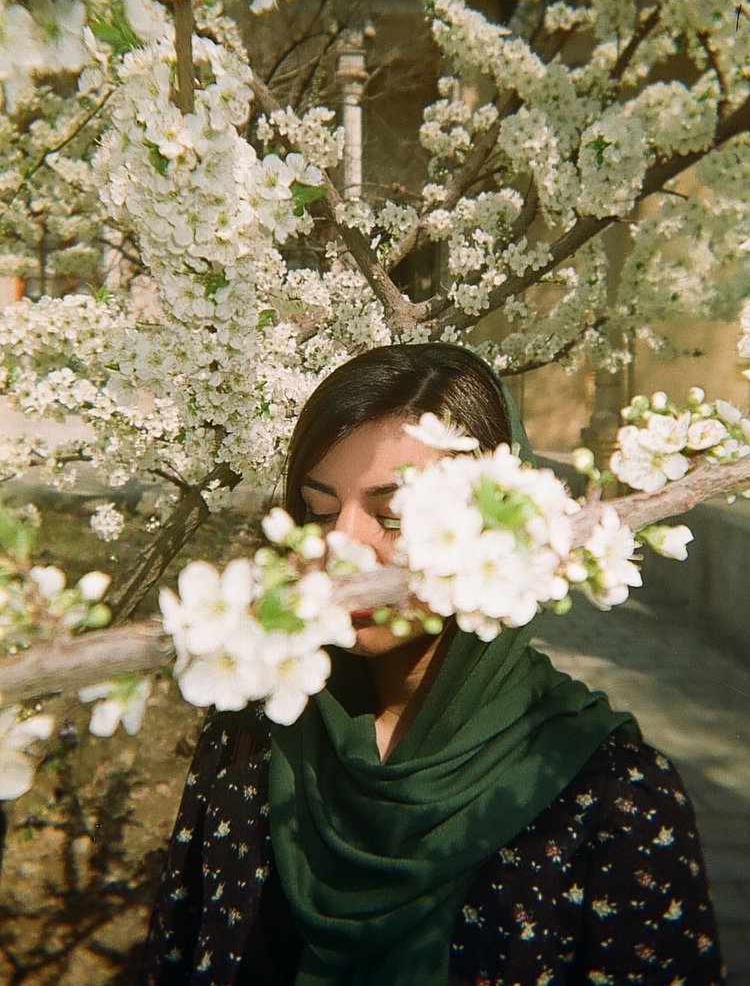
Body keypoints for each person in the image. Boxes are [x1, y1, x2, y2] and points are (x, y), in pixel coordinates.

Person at [140, 343, 725, 985]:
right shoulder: (254, 735)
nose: (341, 549)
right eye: (320, 510)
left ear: (502, 530)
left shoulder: (610, 796)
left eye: (392, 516)